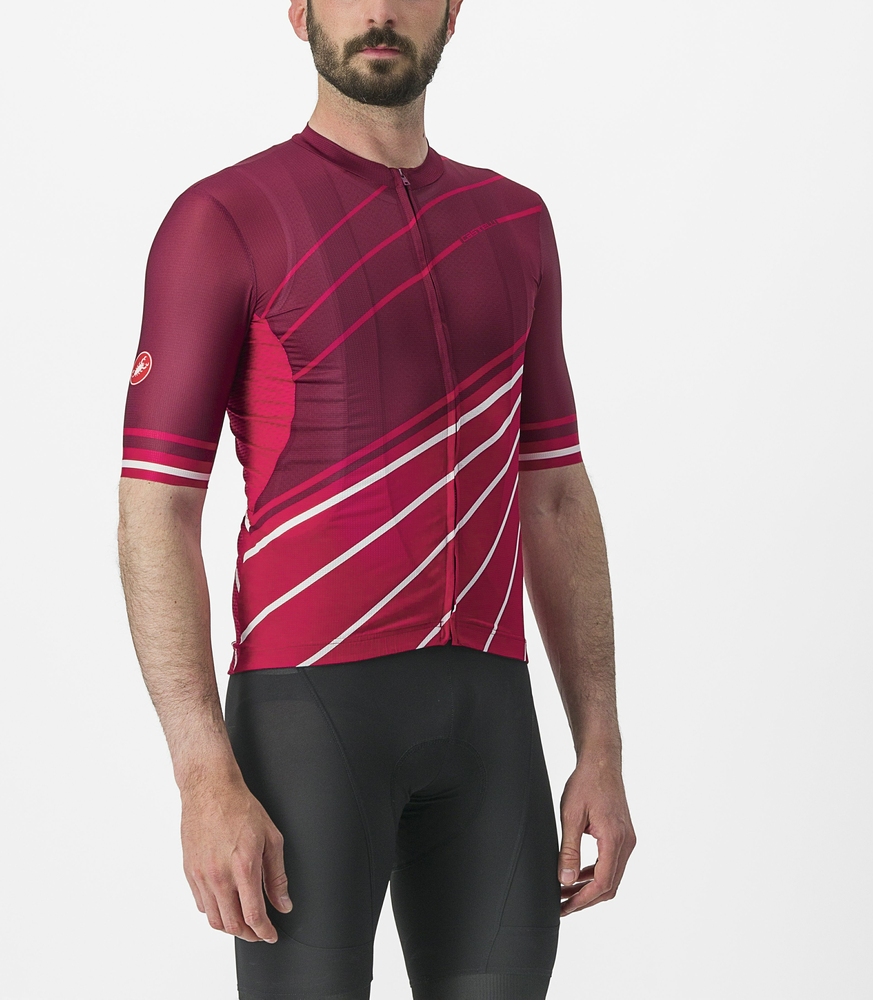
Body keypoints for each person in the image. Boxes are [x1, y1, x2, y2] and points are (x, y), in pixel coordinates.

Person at [117, 2, 636, 997]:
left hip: (491, 722)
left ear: (453, 12)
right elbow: (157, 509)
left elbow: (557, 496)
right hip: (307, 722)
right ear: (300, 11)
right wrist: (202, 773)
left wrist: (600, 745)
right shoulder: (224, 219)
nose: (382, 11)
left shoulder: (515, 223)